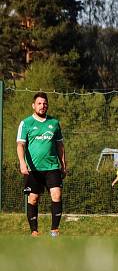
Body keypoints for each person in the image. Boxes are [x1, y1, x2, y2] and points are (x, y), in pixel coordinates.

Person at [16, 92, 67, 237]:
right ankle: (34, 231)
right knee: (33, 199)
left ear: (47, 106)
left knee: (56, 195)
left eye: (44, 103)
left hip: (52, 167)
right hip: (33, 169)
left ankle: (54, 231)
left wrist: (63, 164)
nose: (42, 106)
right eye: (39, 103)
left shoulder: (54, 123)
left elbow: (60, 146)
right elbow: (20, 145)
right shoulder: (25, 123)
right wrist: (22, 163)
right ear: (33, 105)